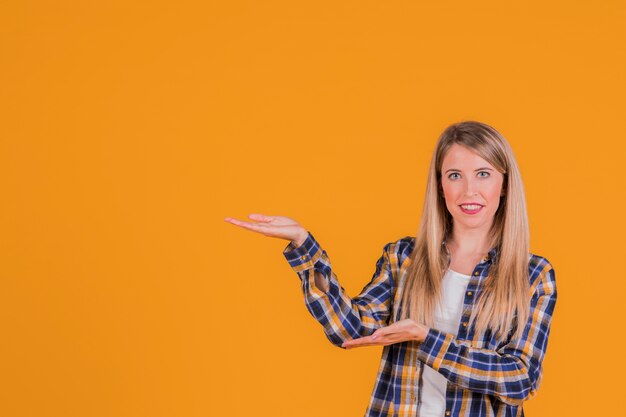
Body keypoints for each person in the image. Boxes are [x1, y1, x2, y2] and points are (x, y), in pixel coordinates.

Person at [224, 120, 557, 417]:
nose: (469, 190)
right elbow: (350, 330)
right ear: (441, 186)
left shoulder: (533, 275)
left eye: (482, 174)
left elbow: (520, 379)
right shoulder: (405, 258)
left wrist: (427, 339)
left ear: (505, 183)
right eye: (455, 175)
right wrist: (303, 245)